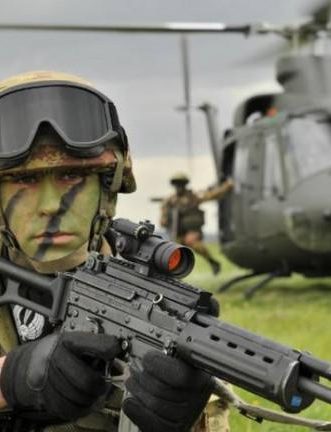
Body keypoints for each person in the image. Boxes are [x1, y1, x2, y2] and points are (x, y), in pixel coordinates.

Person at [0, 71, 230, 432]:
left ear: (107, 189)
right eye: (25, 181)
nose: (51, 205)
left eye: (71, 177)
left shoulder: (149, 301)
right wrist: (11, 379)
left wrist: (189, 419)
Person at [160, 173, 233, 275]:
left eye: (181, 184)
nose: (178, 187)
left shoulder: (193, 197)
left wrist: (227, 186)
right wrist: (164, 219)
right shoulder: (170, 200)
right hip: (177, 232)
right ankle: (173, 271)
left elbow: (212, 195)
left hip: (192, 230)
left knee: (193, 243)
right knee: (172, 251)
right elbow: (163, 217)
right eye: (177, 185)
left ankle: (212, 262)